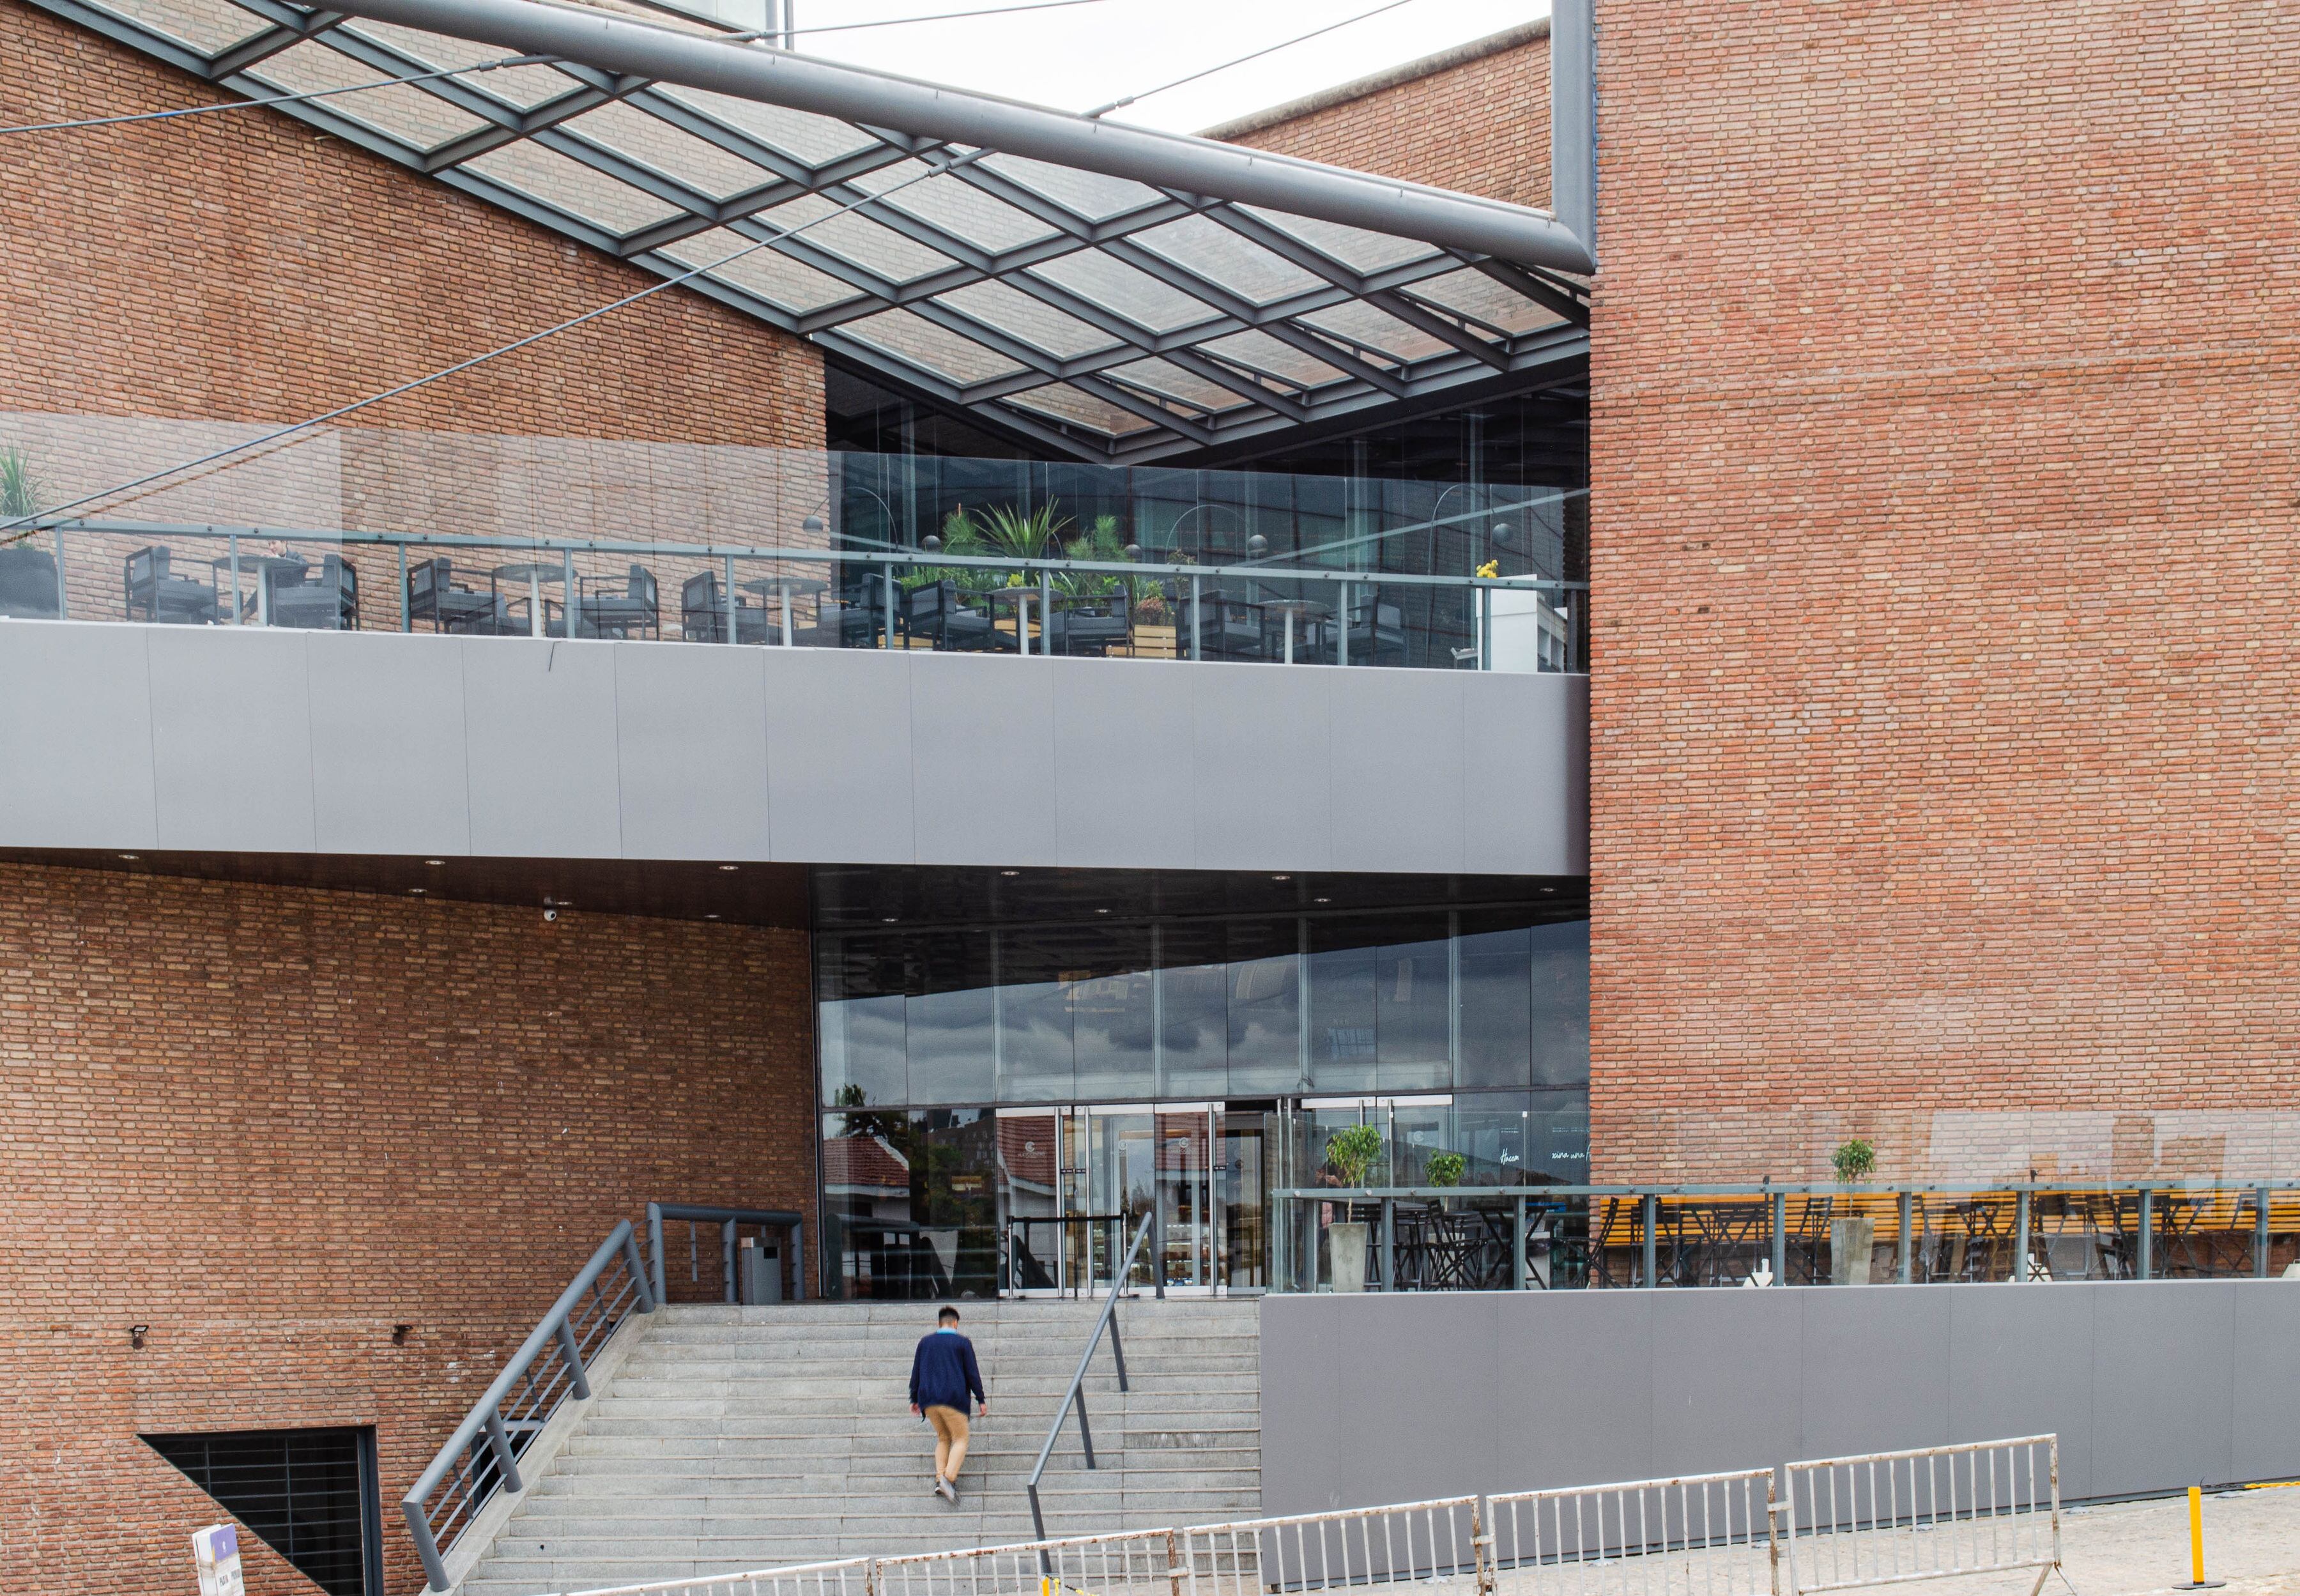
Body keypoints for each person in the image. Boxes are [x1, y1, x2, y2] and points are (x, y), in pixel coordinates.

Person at [908, 1305, 988, 1503]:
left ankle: (939, 1478)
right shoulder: (962, 1343)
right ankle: (948, 1480)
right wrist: (981, 1399)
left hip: (929, 1400)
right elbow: (972, 1373)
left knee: (943, 1438)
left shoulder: (925, 1342)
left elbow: (916, 1370)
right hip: (953, 1399)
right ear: (956, 1323)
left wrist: (914, 1398)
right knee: (961, 1439)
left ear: (939, 1323)